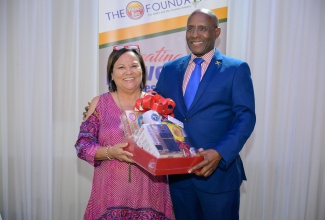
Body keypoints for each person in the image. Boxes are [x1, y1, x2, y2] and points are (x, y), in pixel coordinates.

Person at [154, 8, 256, 220]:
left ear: (216, 33)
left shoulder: (235, 69)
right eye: (190, 29)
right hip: (179, 178)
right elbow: (154, 107)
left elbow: (245, 117)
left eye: (202, 29)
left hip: (218, 175)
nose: (195, 34)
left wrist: (219, 152)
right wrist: (106, 104)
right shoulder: (170, 69)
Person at [75, 45, 173, 220]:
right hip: (110, 198)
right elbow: (83, 145)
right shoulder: (100, 104)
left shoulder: (157, 104)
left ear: (142, 70)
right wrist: (110, 152)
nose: (129, 71)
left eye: (134, 66)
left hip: (152, 198)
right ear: (111, 75)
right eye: (121, 67)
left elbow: (173, 145)